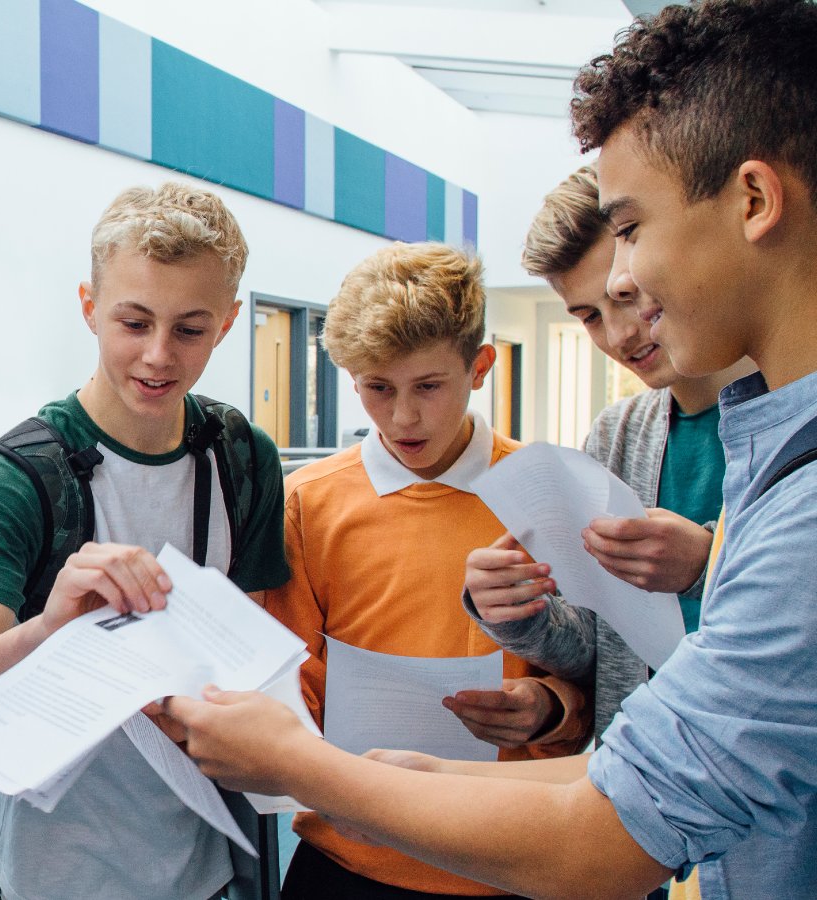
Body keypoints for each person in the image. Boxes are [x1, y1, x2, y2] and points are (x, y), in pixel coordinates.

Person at [164, 2, 817, 897]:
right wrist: (413, 775)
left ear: (752, 200)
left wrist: (308, 769)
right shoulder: (757, 460)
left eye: (629, 228)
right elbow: (637, 769)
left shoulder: (797, 509)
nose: (623, 285)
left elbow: (609, 836)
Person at [0, 182, 290, 900]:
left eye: (190, 329)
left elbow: (264, 642)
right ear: (88, 306)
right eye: (133, 322)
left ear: (229, 322)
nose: (157, 356)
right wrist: (52, 625)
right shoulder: (19, 478)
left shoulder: (242, 457)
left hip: (212, 860)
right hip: (58, 866)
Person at [262, 241, 589, 898]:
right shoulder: (308, 503)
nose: (403, 417)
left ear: (480, 366)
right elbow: (287, 690)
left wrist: (553, 708)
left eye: (428, 387)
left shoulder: (551, 491)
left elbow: (605, 677)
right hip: (351, 862)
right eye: (377, 389)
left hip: (510, 861)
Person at [466, 164, 753, 741]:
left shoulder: (788, 417)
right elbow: (599, 652)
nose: (622, 335)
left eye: (629, 296)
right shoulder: (615, 436)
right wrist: (515, 612)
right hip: (643, 780)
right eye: (590, 316)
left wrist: (705, 565)